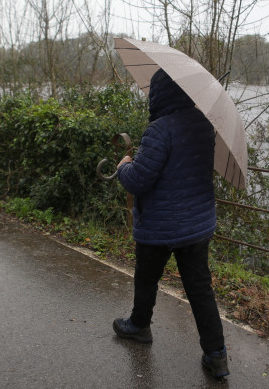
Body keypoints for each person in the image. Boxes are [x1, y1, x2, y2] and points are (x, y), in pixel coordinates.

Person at [112, 68, 229, 379]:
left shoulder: (158, 130)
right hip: (197, 225)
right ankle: (216, 356)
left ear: (162, 94)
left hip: (159, 226)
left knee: (147, 279)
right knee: (200, 290)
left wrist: (124, 166)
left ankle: (139, 326)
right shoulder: (204, 125)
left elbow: (139, 180)